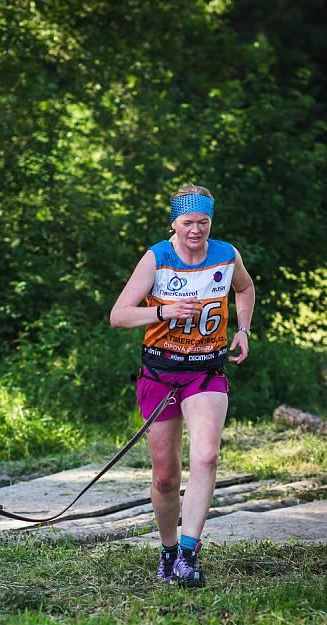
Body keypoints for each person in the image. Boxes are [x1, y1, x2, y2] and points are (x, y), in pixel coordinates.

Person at [110, 184, 255, 587]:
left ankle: (189, 555)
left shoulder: (226, 255)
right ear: (174, 222)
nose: (196, 230)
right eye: (188, 222)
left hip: (206, 371)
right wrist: (165, 310)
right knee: (165, 477)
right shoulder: (158, 257)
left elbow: (244, 288)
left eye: (203, 222)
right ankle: (169, 549)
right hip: (160, 372)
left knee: (206, 457)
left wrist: (242, 329)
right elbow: (119, 316)